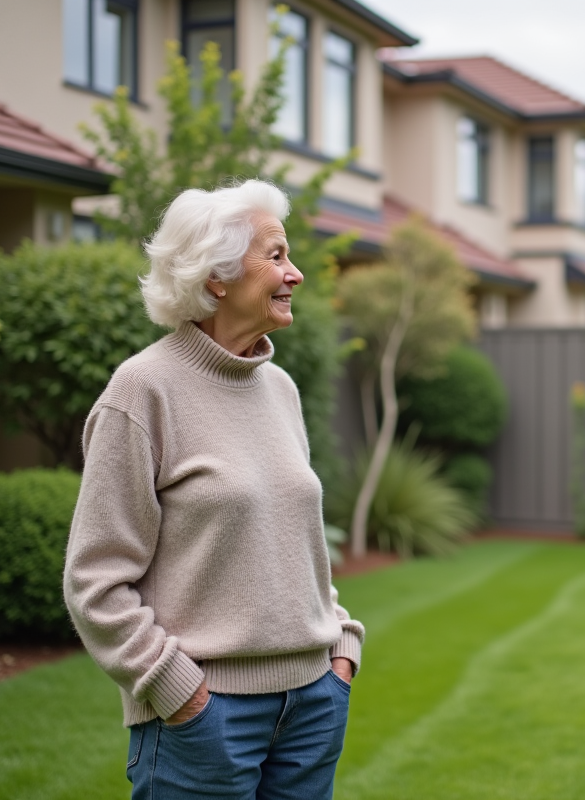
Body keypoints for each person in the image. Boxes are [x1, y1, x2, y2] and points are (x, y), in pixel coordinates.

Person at [64, 180, 363, 798]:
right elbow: (95, 581)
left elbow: (296, 538)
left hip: (313, 704)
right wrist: (176, 690)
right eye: (276, 255)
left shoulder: (279, 387)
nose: (295, 273)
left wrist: (341, 649)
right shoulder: (141, 392)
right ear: (218, 276)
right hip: (205, 718)